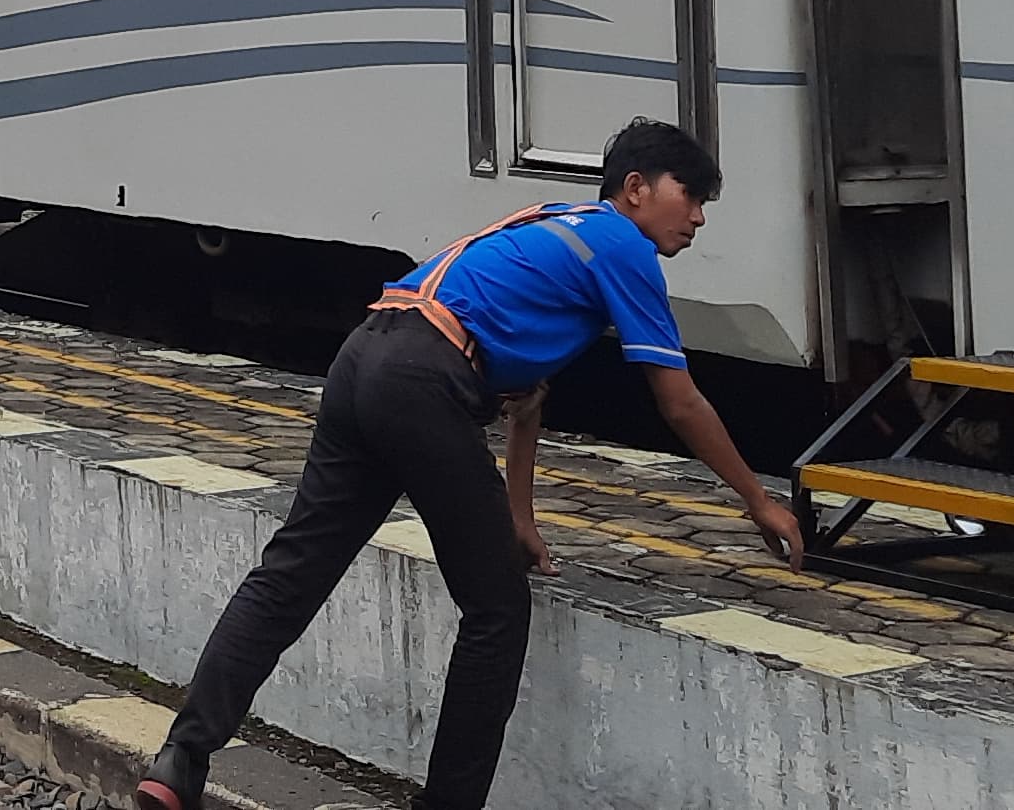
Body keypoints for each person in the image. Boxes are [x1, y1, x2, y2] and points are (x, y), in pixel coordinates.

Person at [140, 120, 801, 810]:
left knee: (291, 575)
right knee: (496, 610)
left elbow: (526, 402)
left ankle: (181, 759)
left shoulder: (550, 224)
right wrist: (757, 499)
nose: (697, 218)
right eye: (689, 196)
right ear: (635, 189)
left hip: (364, 354)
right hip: (423, 380)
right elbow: (681, 403)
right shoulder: (624, 248)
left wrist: (518, 517)